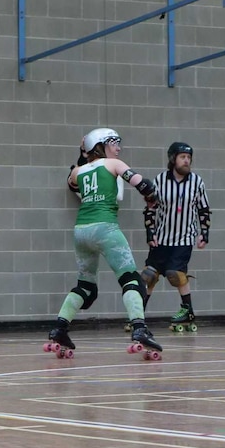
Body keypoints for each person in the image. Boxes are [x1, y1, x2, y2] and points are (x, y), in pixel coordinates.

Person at [48, 128, 162, 356]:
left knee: (86, 287)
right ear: (101, 145)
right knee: (132, 281)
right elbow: (146, 186)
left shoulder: (77, 171)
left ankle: (59, 328)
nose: (118, 148)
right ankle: (139, 328)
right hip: (105, 228)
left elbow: (72, 185)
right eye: (114, 143)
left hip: (81, 231)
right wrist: (152, 201)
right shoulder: (114, 165)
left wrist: (83, 153)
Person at [138, 142, 211, 333]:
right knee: (149, 275)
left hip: (184, 238)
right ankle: (138, 313)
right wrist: (150, 233)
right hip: (161, 237)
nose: (187, 161)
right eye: (182, 157)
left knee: (174, 273)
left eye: (189, 158)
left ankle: (188, 311)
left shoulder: (197, 182)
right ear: (173, 159)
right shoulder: (160, 180)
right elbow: (150, 209)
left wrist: (205, 233)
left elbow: (203, 210)